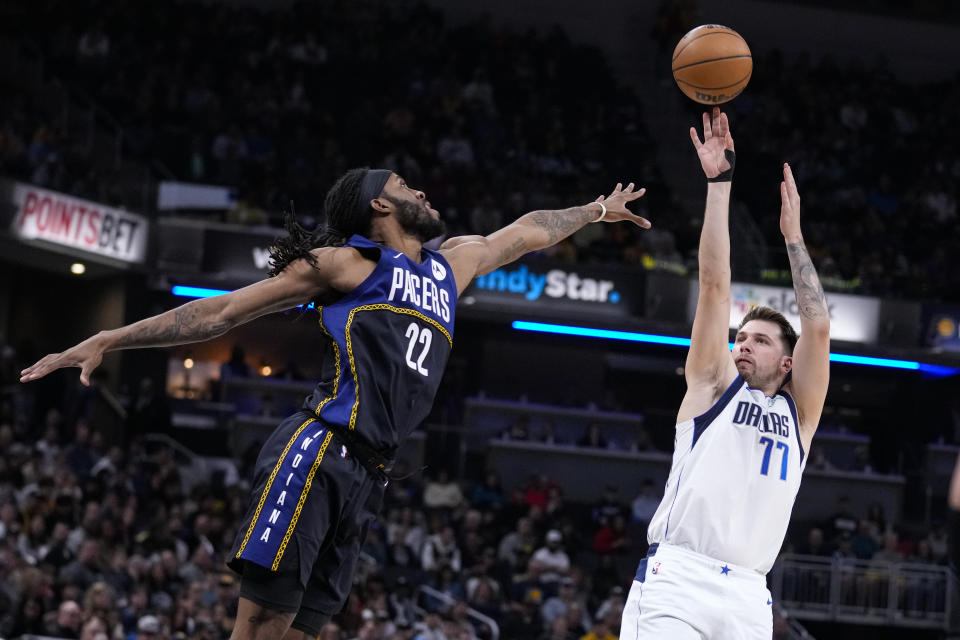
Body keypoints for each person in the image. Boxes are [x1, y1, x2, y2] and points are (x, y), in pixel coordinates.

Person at [21, 167, 650, 640]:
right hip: (319, 449)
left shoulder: (450, 267)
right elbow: (221, 312)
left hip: (367, 476)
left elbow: (528, 231)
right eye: (408, 186)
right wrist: (111, 336)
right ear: (381, 204)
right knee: (263, 623)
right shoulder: (348, 264)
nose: (424, 194)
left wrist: (597, 210)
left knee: (305, 629)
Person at [619, 109, 831, 640]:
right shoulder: (714, 383)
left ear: (787, 363)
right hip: (679, 578)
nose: (743, 346)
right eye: (741, 338)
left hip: (748, 594)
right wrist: (719, 186)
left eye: (759, 341)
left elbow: (819, 326)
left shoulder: (798, 413)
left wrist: (793, 238)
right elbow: (715, 285)